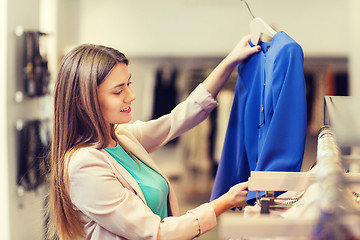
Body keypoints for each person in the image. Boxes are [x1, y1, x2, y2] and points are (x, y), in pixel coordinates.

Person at [47, 35, 261, 240]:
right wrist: (224, 202)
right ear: (84, 101)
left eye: (128, 84)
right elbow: (156, 233)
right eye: (118, 91)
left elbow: (180, 117)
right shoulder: (84, 165)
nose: (131, 96)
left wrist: (231, 60)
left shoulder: (122, 137)